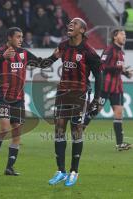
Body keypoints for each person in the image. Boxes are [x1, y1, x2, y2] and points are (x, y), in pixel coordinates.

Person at [0, 27, 52, 176]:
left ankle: (9, 167)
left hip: (18, 99)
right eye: (18, 37)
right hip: (3, 97)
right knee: (4, 129)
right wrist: (2, 57)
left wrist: (56, 56)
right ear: (9, 38)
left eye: (22, 37)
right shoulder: (0, 51)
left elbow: (42, 64)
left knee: (17, 133)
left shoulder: (25, 53)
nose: (21, 39)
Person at [48, 18, 101, 186]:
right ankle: (60, 171)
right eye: (69, 23)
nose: (70, 25)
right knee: (59, 128)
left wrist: (96, 98)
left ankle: (74, 171)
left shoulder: (89, 51)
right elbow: (48, 61)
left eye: (75, 24)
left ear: (83, 30)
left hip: (80, 92)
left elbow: (99, 76)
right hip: (63, 91)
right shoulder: (63, 46)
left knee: (76, 129)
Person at [83, 29, 133, 151]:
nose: (124, 37)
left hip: (117, 87)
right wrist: (119, 67)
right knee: (95, 111)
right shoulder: (109, 49)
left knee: (118, 113)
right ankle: (78, 131)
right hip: (105, 86)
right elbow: (103, 65)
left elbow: (118, 69)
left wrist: (126, 73)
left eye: (125, 35)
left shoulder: (121, 52)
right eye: (122, 34)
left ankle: (119, 144)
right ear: (115, 37)